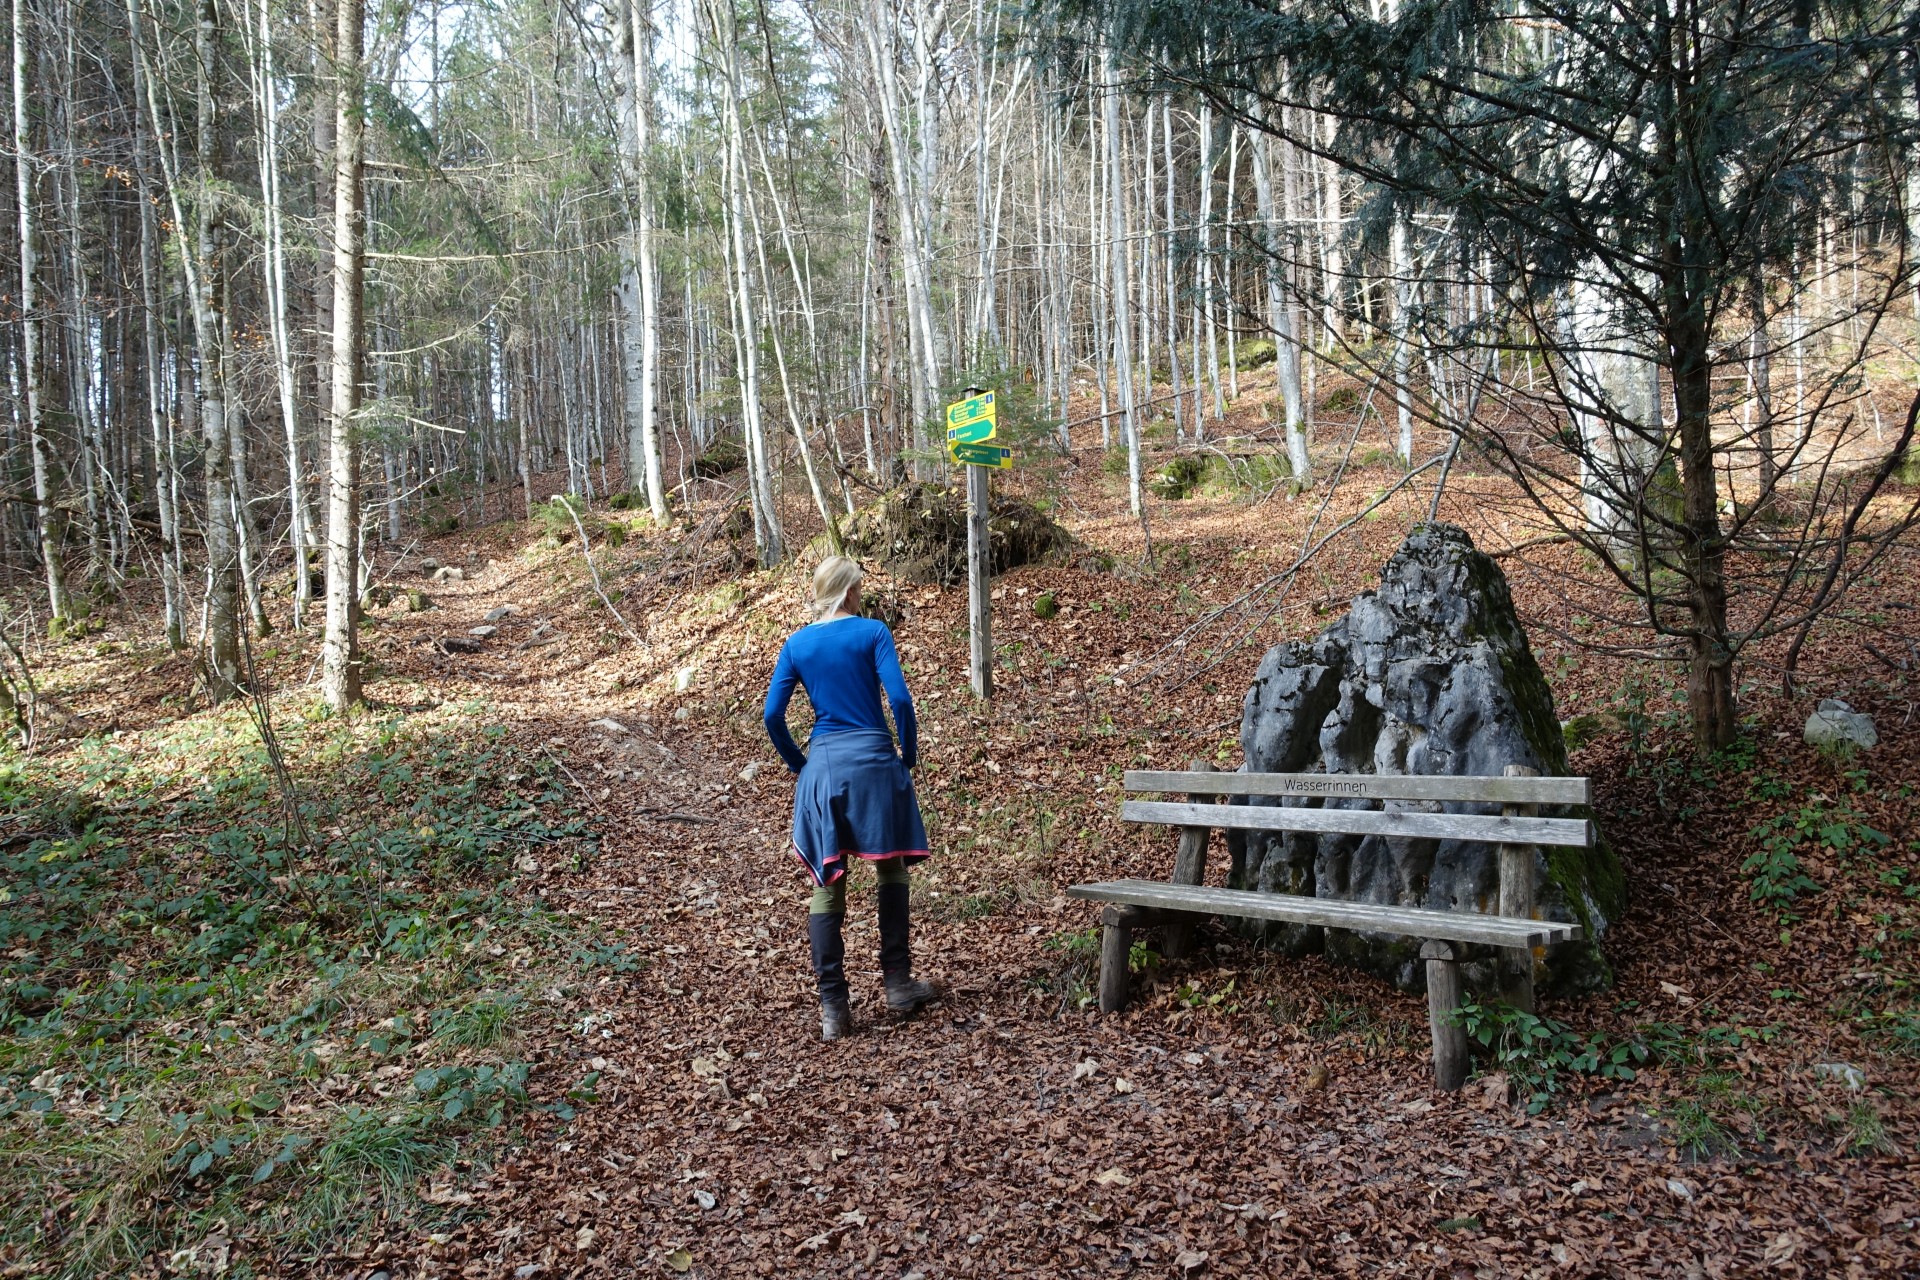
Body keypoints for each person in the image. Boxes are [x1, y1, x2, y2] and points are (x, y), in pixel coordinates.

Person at [764, 555, 938, 1040]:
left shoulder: (797, 644)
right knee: (891, 867)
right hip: (874, 762)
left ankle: (834, 1011)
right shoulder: (873, 632)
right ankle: (898, 985)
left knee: (827, 882)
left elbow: (772, 716)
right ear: (848, 591)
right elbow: (900, 700)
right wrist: (907, 754)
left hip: (824, 767)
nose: (862, 594)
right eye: (859, 587)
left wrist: (801, 765)